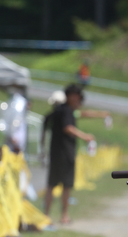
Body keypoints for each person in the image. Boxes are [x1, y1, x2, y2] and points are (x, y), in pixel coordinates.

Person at [42, 84, 109, 224]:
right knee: (65, 185)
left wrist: (100, 114)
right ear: (72, 96)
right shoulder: (66, 111)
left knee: (52, 184)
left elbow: (83, 113)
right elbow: (68, 128)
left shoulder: (62, 111)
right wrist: (85, 136)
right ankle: (64, 215)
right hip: (65, 153)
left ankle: (46, 215)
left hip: (56, 153)